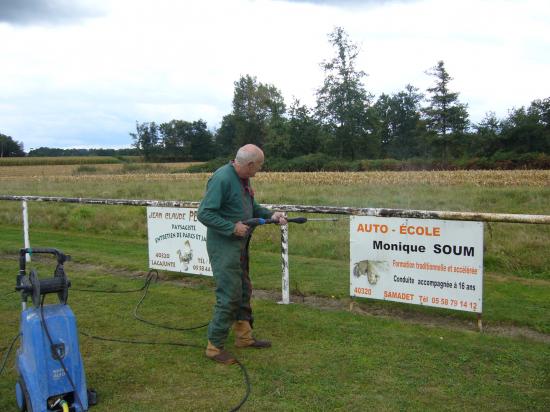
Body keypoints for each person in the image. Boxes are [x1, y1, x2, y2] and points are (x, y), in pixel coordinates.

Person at [197, 144, 287, 364]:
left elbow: (251, 207)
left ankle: (244, 338)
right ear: (249, 164)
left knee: (244, 290)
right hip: (224, 248)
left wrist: (272, 215)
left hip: (240, 247)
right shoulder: (222, 179)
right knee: (229, 295)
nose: (260, 170)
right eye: (259, 166)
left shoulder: (243, 179)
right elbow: (204, 213)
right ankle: (214, 347)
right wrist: (231, 227)